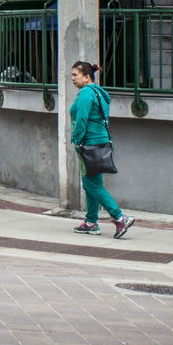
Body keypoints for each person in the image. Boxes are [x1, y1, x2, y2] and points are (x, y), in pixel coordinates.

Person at [69, 61, 134, 238]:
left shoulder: (85, 94)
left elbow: (82, 120)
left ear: (87, 76)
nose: (72, 78)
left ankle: (120, 217)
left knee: (91, 184)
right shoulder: (99, 93)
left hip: (88, 143)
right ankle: (91, 222)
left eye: (75, 75)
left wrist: (77, 140)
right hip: (101, 141)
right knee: (93, 184)